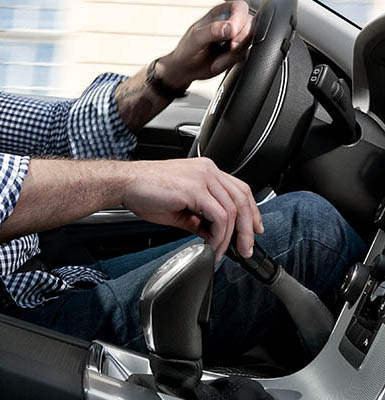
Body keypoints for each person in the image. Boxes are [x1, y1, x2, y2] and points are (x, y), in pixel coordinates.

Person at [0, 1, 366, 363]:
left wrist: (171, 72)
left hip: (44, 283)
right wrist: (127, 181)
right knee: (312, 233)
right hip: (21, 333)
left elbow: (59, 131)